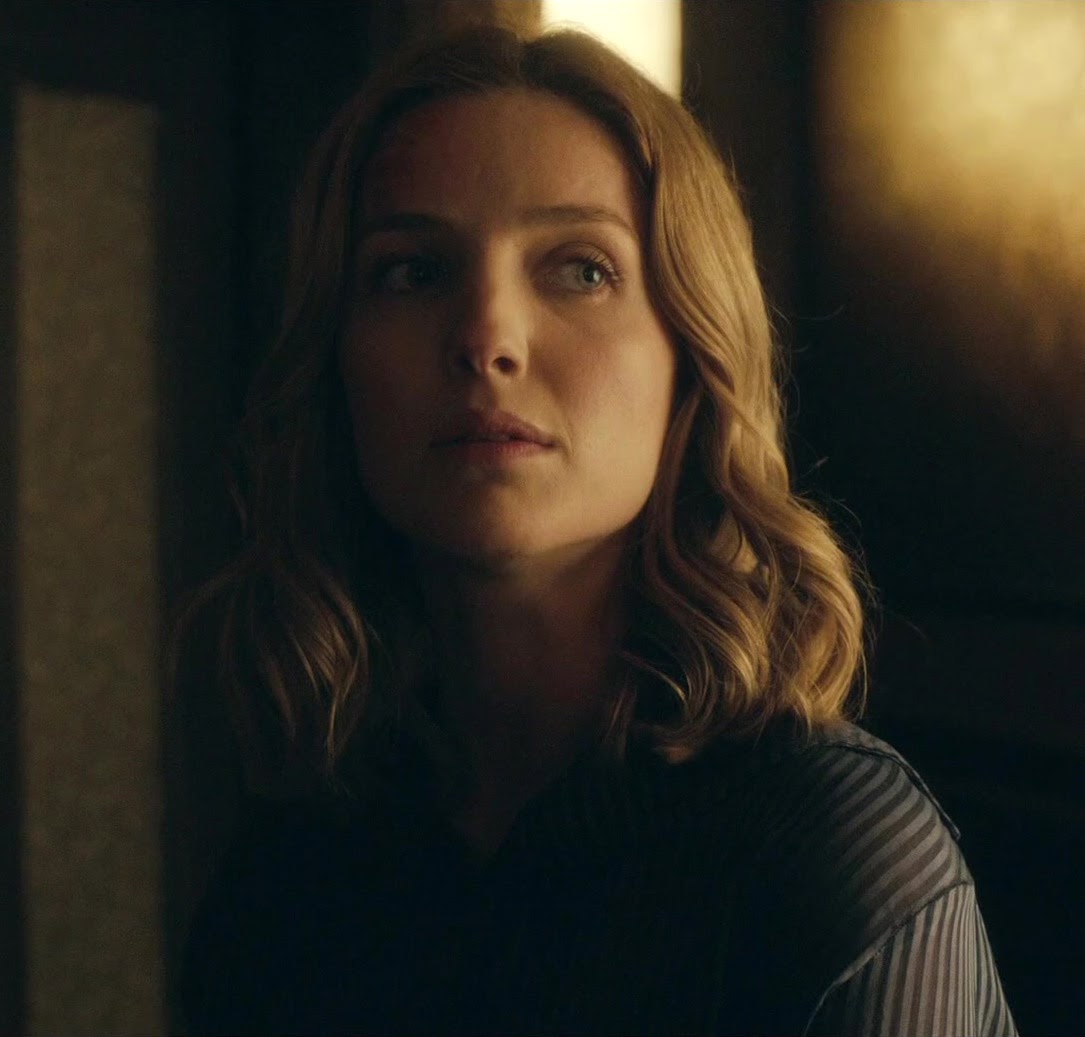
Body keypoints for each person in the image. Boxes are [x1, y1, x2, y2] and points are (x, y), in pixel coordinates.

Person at [180, 25, 1017, 1036]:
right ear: (334, 362)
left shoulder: (827, 847)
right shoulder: (292, 868)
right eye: (411, 271)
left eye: (579, 269)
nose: (487, 336)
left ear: (689, 355)